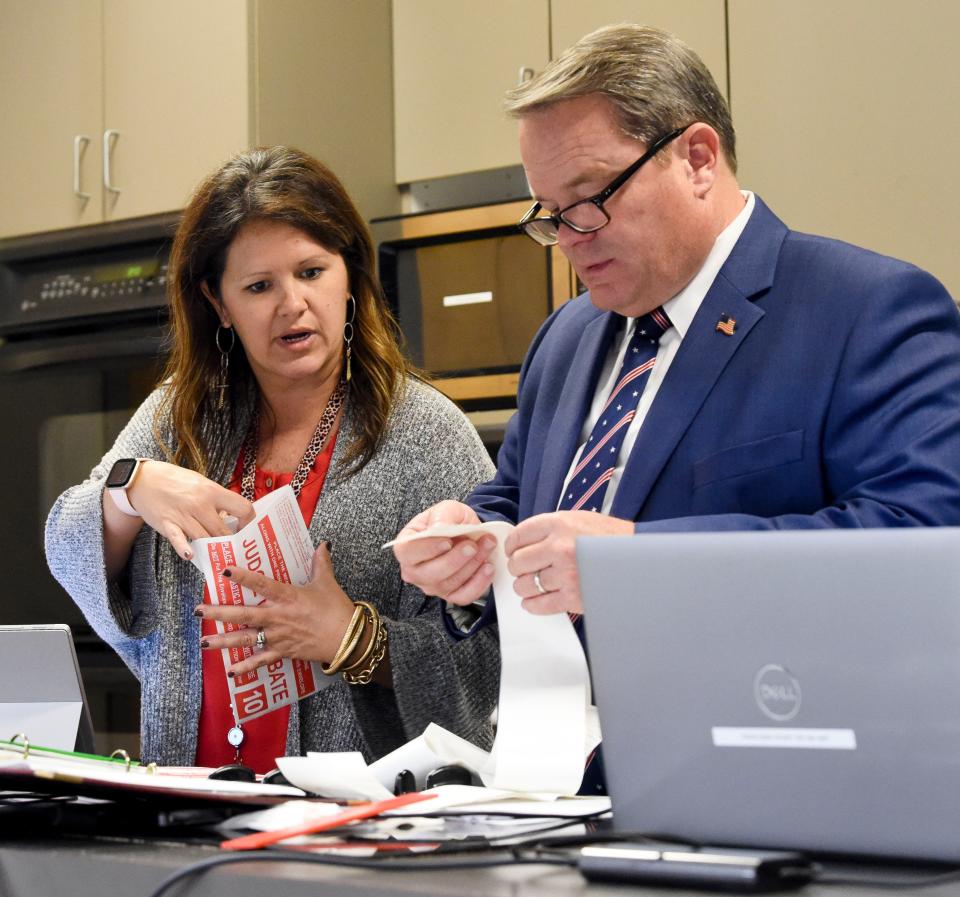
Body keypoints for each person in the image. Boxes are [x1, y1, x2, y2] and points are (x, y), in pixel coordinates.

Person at [394, 23, 960, 624]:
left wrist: (638, 566)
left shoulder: (867, 309)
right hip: (557, 715)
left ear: (697, 159)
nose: (568, 240)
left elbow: (925, 534)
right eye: (551, 213)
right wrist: (474, 535)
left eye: (591, 197)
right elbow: (522, 496)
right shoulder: (565, 337)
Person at [45, 146, 498, 772]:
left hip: (354, 833)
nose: (292, 304)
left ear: (351, 278)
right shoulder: (176, 418)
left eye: (312, 272)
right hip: (186, 803)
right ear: (220, 304)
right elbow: (66, 542)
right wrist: (132, 487)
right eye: (259, 286)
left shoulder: (425, 433)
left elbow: (491, 663)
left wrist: (352, 638)